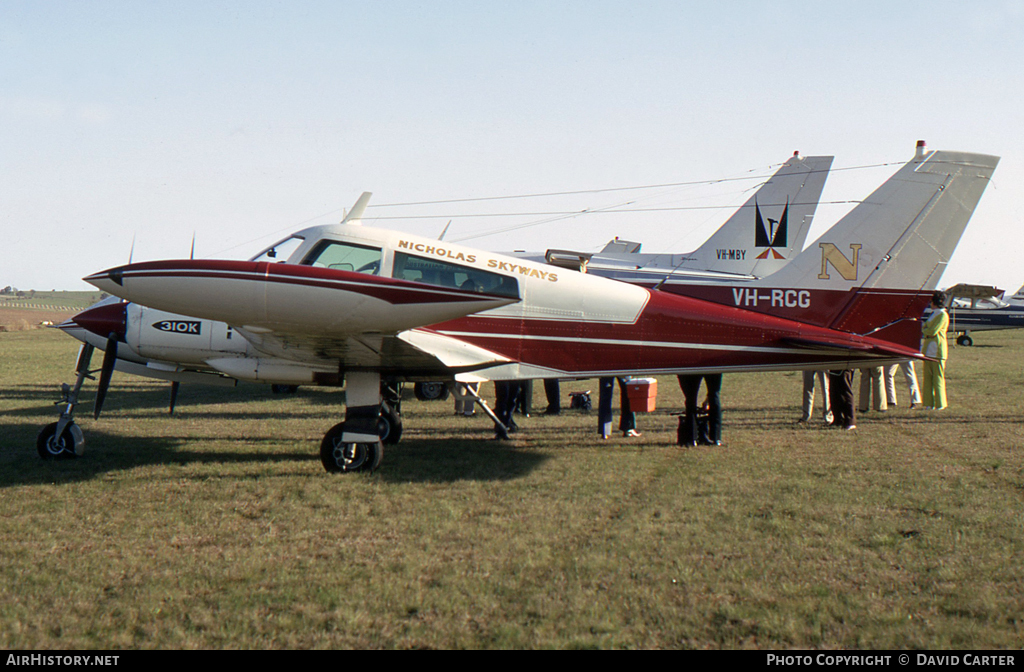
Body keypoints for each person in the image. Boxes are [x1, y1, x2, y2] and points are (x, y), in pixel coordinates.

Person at [677, 373, 722, 446]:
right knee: (714, 395)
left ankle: (692, 438)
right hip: (711, 365)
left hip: (691, 366)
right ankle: (716, 438)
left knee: (690, 399)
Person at [922, 290, 949, 409]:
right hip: (928, 350)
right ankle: (928, 403)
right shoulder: (933, 314)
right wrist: (926, 329)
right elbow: (926, 327)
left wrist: (925, 330)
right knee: (927, 378)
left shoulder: (942, 315)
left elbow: (932, 331)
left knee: (937, 378)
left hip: (938, 351)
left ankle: (940, 404)